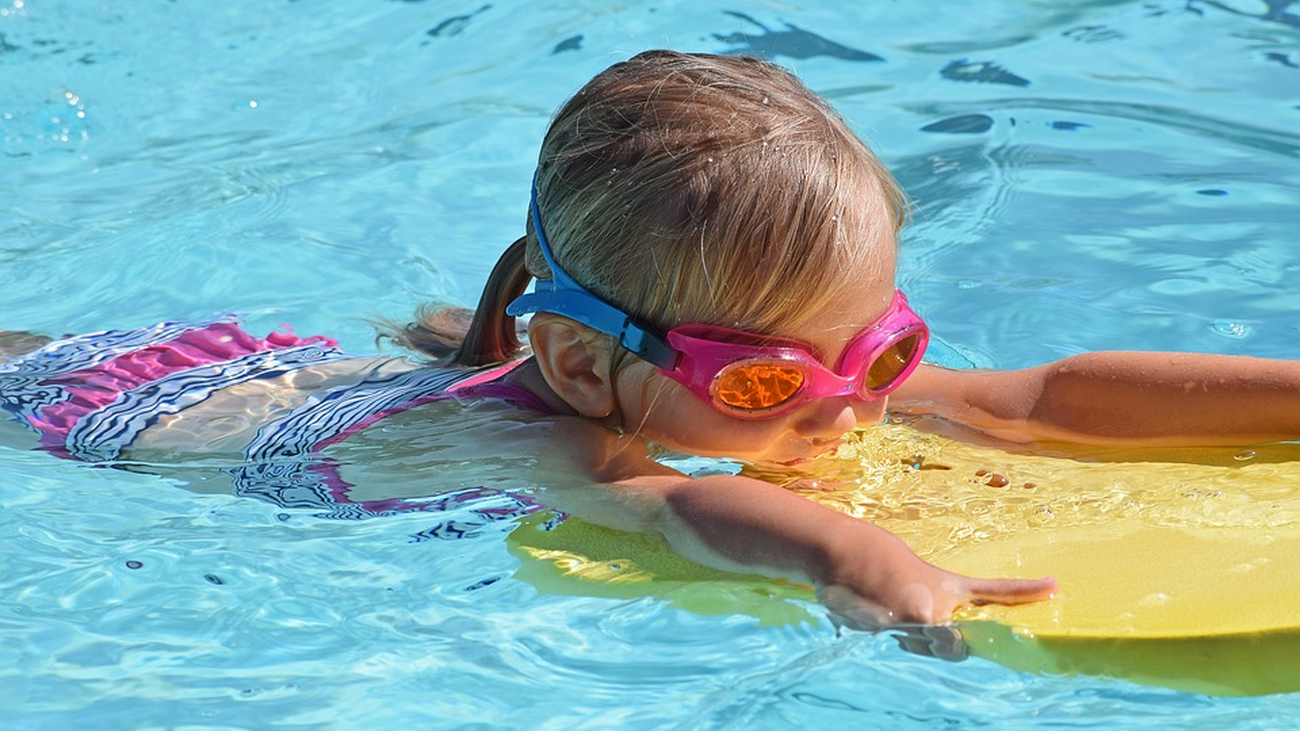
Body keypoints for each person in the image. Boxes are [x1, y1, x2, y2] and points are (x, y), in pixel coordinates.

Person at [4, 50, 1300, 630]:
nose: (851, 409)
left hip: (265, 364)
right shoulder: (570, 448)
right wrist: (868, 562)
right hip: (118, 417)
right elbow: (679, 517)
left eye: (885, 352)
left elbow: (1042, 399)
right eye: (764, 379)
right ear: (582, 369)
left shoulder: (810, 384)